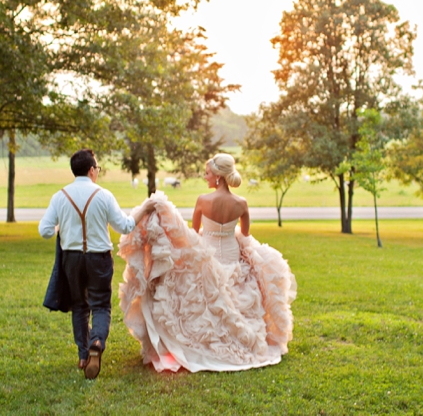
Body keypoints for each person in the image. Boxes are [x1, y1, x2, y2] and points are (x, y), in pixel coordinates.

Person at [118, 153, 297, 372]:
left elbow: (193, 233)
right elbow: (246, 234)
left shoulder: (203, 201)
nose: (205, 177)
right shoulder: (241, 203)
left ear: (218, 177)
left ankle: (206, 343)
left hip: (208, 253)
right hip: (232, 253)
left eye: (208, 173)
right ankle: (242, 338)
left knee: (208, 301)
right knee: (236, 298)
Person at [39, 149, 144, 379]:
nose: (97, 171)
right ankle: (96, 340)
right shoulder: (104, 195)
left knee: (79, 306)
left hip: (71, 259)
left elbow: (45, 230)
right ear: (91, 170)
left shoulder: (60, 196)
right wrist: (144, 210)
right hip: (98, 258)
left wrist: (65, 227)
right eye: (97, 168)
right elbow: (125, 226)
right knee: (100, 305)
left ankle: (83, 355)